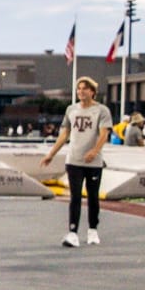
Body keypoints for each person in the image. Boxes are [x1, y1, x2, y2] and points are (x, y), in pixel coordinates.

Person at [40, 76, 111, 247]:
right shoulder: (71, 109)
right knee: (75, 197)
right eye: (79, 89)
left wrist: (95, 151)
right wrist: (51, 154)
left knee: (93, 197)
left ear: (92, 92)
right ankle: (73, 232)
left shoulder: (101, 111)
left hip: (93, 162)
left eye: (84, 89)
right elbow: (64, 134)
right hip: (74, 160)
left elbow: (104, 134)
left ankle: (93, 229)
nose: (81, 91)